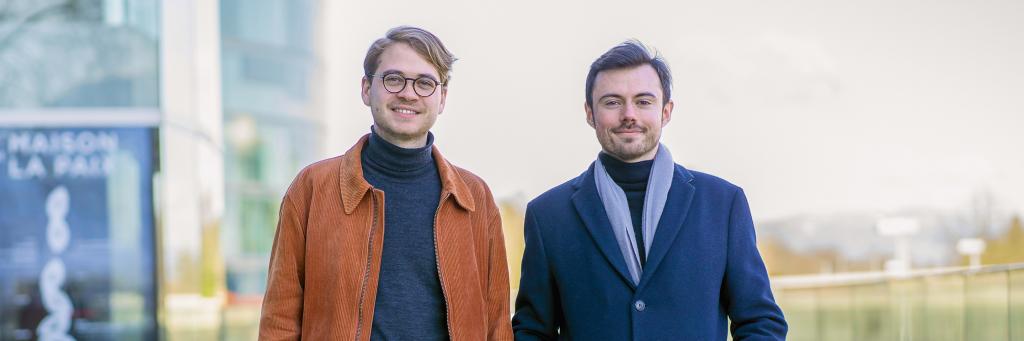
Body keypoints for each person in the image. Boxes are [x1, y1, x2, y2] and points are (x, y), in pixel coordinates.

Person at [512, 40, 787, 340]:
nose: (629, 114)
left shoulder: (723, 204)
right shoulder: (548, 215)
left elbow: (761, 321)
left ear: (666, 111)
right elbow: (532, 331)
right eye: (612, 102)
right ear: (590, 113)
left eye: (643, 101)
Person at [259, 26, 512, 341]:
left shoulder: (475, 197)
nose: (408, 93)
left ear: (442, 98)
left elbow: (497, 324)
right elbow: (279, 323)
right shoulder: (312, 188)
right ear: (366, 89)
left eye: (424, 83)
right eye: (393, 79)